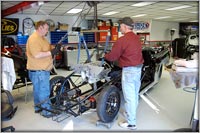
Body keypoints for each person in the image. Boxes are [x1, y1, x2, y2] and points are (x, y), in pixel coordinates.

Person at [104, 17, 144, 130]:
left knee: (129, 97)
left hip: (129, 71)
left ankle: (131, 123)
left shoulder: (122, 40)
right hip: (137, 69)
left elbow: (113, 56)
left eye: (120, 26)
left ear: (125, 26)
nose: (119, 27)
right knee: (134, 94)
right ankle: (130, 114)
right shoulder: (136, 38)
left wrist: (105, 56)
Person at [26, 20, 61, 118]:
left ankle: (38, 108)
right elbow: (37, 55)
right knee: (44, 91)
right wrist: (52, 53)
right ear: (40, 28)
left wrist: (55, 47)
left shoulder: (42, 38)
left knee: (38, 90)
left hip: (41, 70)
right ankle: (47, 111)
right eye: (46, 29)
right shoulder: (34, 39)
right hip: (39, 71)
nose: (47, 31)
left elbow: (47, 47)